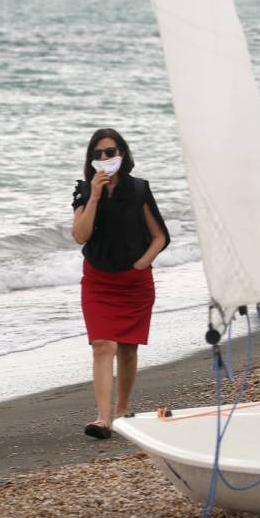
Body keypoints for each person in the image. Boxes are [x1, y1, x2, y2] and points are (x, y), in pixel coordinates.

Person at [71, 128, 170, 439]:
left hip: (134, 283)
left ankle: (122, 413)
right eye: (97, 154)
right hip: (98, 281)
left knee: (127, 350)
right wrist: (96, 195)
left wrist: (142, 263)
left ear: (122, 155)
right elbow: (80, 235)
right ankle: (102, 418)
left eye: (110, 152)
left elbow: (160, 236)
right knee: (103, 345)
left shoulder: (139, 190)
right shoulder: (84, 192)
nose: (103, 158)